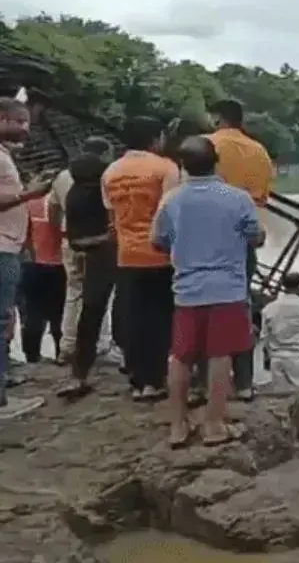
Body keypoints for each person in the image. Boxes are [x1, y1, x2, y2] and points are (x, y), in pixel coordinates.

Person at [153, 136, 263, 448]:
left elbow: (158, 240)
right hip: (227, 289)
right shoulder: (237, 198)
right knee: (219, 355)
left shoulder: (171, 200)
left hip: (187, 289)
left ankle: (177, 427)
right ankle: (213, 425)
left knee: (180, 356)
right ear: (216, 161)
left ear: (183, 165)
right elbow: (255, 237)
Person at [102, 116, 179, 402]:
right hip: (161, 256)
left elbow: (112, 217)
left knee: (134, 318)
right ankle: (154, 381)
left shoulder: (111, 172)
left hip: (127, 255)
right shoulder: (165, 168)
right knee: (159, 319)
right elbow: (172, 214)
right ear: (155, 139)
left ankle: (137, 380)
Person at [207, 99, 274, 401]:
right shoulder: (259, 152)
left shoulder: (206, 145)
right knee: (240, 307)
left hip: (206, 238)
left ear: (217, 118)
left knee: (200, 308)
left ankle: (203, 382)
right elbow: (262, 198)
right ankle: (244, 381)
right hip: (244, 238)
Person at [57, 138, 119, 399]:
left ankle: (78, 375)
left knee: (89, 312)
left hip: (95, 259)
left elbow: (75, 239)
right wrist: (110, 237)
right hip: (115, 255)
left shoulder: (74, 195)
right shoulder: (99, 192)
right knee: (128, 308)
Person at [0, 97, 49, 418]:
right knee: (1, 320)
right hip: (1, 248)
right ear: (2, 118)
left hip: (10, 246)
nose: (25, 128)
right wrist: (30, 194)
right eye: (20, 121)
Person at [20, 195, 65, 362]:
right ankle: (62, 354)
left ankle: (32, 357)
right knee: (60, 314)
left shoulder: (29, 203)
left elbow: (24, 236)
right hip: (60, 264)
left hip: (35, 263)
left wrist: (33, 254)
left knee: (33, 312)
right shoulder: (62, 198)